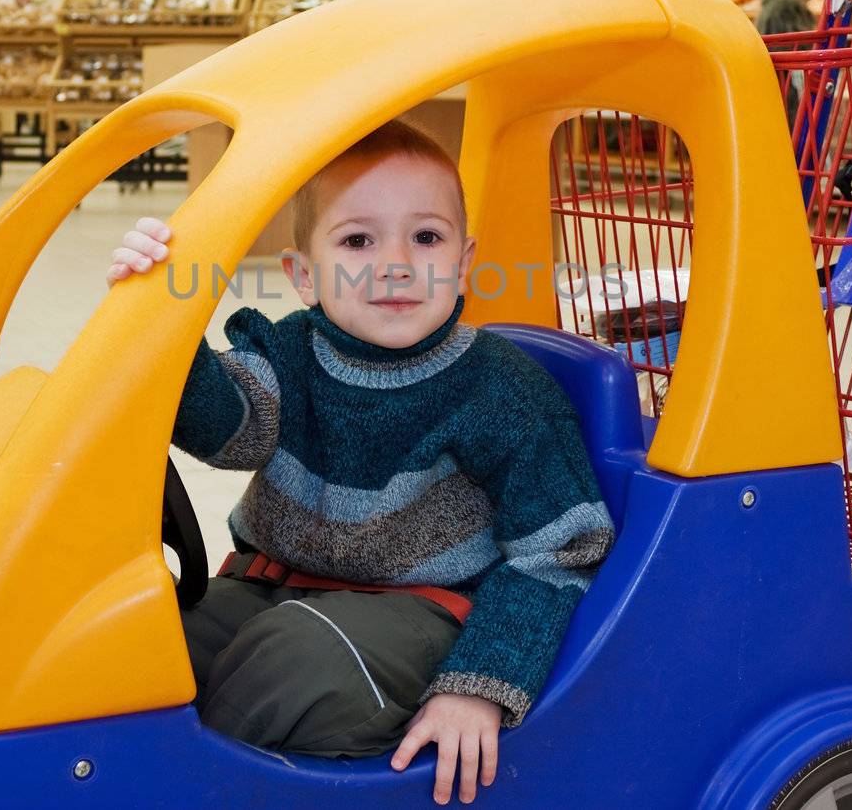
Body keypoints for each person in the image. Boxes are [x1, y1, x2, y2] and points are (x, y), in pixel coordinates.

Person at [107, 121, 613, 805]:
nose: (396, 264)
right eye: (357, 240)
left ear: (464, 263)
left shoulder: (502, 392)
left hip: (424, 613)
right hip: (272, 586)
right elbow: (228, 426)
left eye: (425, 237)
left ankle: (180, 786)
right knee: (143, 640)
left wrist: (481, 682)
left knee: (294, 662)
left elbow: (559, 550)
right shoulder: (290, 351)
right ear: (303, 276)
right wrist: (156, 317)